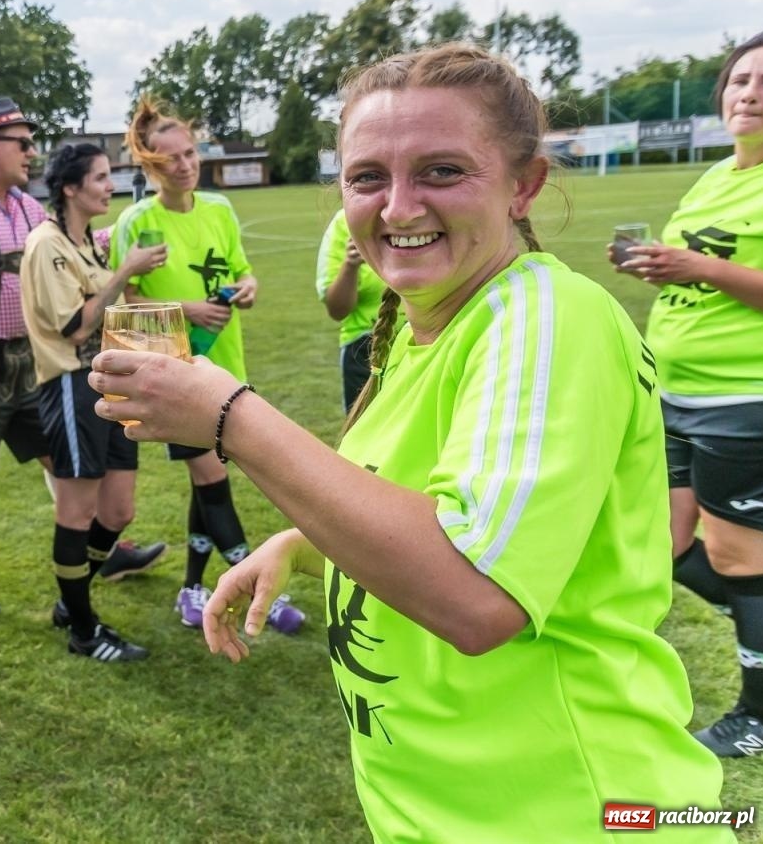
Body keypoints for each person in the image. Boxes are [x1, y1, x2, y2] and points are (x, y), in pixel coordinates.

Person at [91, 43, 727, 840]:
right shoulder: (431, 326)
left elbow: (477, 596)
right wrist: (299, 542)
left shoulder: (544, 318)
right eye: (367, 179)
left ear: (523, 184)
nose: (396, 208)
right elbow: (430, 506)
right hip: (449, 810)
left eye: (441, 172)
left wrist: (231, 417)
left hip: (574, 807)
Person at [0, 97, 161, 619]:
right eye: (23, 143)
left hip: (30, 360)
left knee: (64, 458)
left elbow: (74, 244)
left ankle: (100, 543)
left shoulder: (28, 209)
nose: (32, 153)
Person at [615, 29, 763, 758]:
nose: (750, 93)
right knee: (665, 546)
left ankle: (762, 718)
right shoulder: (715, 178)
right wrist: (662, 268)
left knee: (740, 559)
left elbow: (713, 273)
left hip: (746, 399)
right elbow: (697, 269)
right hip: (674, 393)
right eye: (741, 80)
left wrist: (699, 270)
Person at [111, 99, 261, 630]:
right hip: (175, 377)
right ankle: (255, 581)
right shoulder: (136, 223)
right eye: (170, 158)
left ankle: (192, 589)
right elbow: (123, 310)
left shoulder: (218, 209)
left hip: (227, 366)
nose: (185, 164)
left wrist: (243, 290)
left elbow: (247, 275)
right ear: (151, 166)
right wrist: (184, 312)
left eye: (190, 153)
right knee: (214, 479)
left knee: (208, 483)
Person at [23, 143, 167, 661]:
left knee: (120, 508)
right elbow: (75, 325)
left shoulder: (86, 244)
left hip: (109, 380)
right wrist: (125, 271)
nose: (110, 186)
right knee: (77, 511)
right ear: (70, 188)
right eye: (101, 178)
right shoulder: (46, 244)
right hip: (69, 383)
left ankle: (72, 596)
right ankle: (83, 629)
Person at [316, 207, 390, 412]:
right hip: (363, 350)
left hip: (427, 340)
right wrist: (350, 265)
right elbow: (337, 310)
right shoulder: (344, 223)